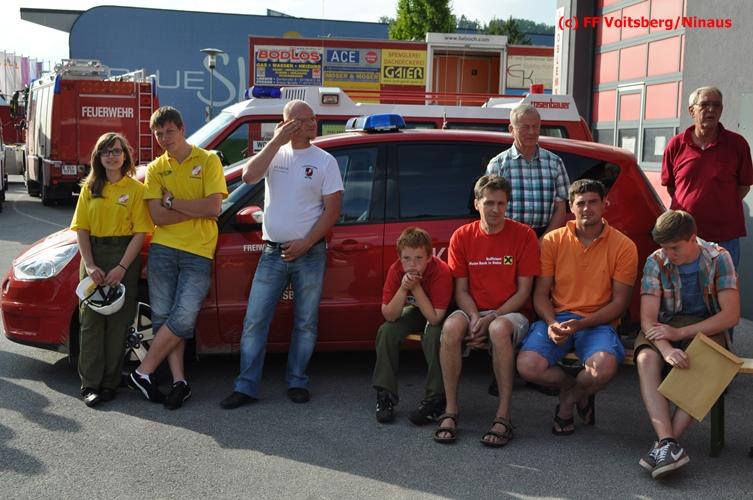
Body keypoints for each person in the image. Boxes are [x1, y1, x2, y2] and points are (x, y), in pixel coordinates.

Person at [220, 99, 343, 409]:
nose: (312, 123)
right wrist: (276, 140)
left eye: (313, 118)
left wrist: (306, 242)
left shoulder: (325, 160)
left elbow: (332, 211)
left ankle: (297, 380)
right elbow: (248, 177)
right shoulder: (274, 154)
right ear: (287, 123)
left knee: (305, 322)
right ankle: (246, 386)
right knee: (255, 320)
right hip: (272, 253)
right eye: (303, 119)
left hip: (310, 252)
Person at [516, 179, 638, 435]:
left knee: (602, 368)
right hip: (558, 317)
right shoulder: (552, 240)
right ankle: (577, 388)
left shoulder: (624, 246)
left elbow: (619, 303)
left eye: (593, 202)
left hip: (598, 321)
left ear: (605, 204)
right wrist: (552, 323)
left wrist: (581, 324)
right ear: (570, 207)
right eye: (580, 203)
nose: (586, 209)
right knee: (527, 366)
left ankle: (568, 401)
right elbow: (540, 294)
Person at [128, 106, 228, 410]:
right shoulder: (156, 168)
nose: (164, 138)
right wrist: (189, 208)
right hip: (163, 249)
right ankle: (179, 382)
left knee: (183, 316)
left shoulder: (208, 160)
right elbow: (157, 216)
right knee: (164, 318)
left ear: (182, 129)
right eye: (159, 134)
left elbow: (213, 208)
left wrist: (173, 203)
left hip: (198, 250)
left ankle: (142, 371)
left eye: (169, 131)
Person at [434, 175, 540, 446]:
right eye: (489, 203)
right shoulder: (462, 236)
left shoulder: (524, 235)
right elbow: (461, 290)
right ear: (477, 203)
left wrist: (492, 316)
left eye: (501, 204)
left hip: (511, 313)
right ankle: (450, 410)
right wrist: (473, 318)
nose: (495, 209)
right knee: (451, 327)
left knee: (498, 328)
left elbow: (524, 293)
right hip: (473, 310)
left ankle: (503, 416)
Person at [635, 210, 739, 479]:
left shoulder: (719, 257)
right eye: (664, 247)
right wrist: (666, 348)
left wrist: (680, 332)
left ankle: (665, 445)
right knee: (646, 358)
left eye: (675, 248)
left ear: (693, 238)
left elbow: (730, 315)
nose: (669, 254)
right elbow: (647, 319)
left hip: (706, 324)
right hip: (665, 324)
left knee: (705, 360)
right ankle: (668, 442)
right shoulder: (655, 260)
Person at [71, 132, 152, 407]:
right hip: (94, 256)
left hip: (123, 256)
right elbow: (81, 229)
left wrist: (121, 267)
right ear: (98, 157)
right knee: (91, 323)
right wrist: (90, 264)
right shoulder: (89, 187)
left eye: (117, 151)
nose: (112, 156)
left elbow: (140, 232)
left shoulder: (136, 190)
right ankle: (90, 385)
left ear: (125, 155)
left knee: (118, 323)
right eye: (106, 152)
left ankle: (109, 383)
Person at [661, 86, 753, 268]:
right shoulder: (676, 145)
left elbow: (744, 186)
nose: (711, 109)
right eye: (704, 105)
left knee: (723, 285)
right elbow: (672, 187)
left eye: (716, 105)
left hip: (724, 238)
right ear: (691, 111)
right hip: (683, 235)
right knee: (685, 285)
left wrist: (721, 203)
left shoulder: (737, 144)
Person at [372, 227, 453, 425]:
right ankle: (385, 394)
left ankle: (436, 398)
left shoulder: (440, 270)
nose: (412, 264)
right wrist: (403, 289)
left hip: (442, 313)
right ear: (399, 258)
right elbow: (389, 315)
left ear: (429, 257)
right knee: (387, 331)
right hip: (418, 309)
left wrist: (415, 287)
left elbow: (435, 318)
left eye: (418, 258)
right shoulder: (396, 270)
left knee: (433, 334)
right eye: (407, 259)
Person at [486, 104, 570, 237]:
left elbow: (561, 208)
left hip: (545, 235)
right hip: (509, 236)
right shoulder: (498, 164)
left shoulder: (555, 163)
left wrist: (545, 240)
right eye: (525, 127)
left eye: (535, 126)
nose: (532, 132)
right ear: (511, 129)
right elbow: (490, 208)